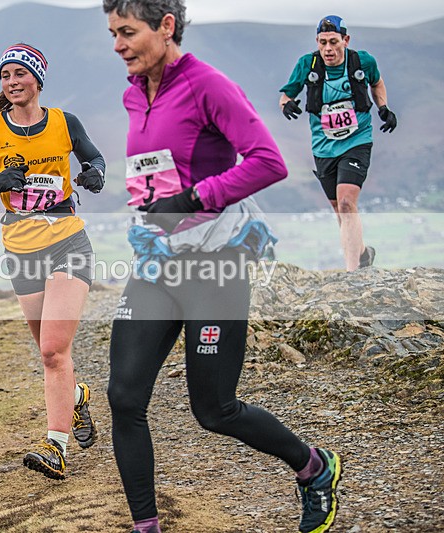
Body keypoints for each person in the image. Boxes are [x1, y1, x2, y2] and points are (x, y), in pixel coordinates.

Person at [102, 2, 341, 533]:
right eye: (113, 33)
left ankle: (314, 467)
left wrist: (191, 198)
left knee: (213, 410)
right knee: (123, 395)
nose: (117, 44)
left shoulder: (208, 85)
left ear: (165, 27)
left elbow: (267, 161)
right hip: (158, 262)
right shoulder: (133, 91)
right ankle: (147, 526)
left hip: (217, 264)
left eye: (127, 32)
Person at [0, 43, 104, 480]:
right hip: (21, 247)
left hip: (68, 242)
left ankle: (55, 446)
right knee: (48, 353)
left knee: (55, 350)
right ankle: (75, 396)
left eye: (20, 74)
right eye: (5, 76)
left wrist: (95, 174)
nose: (12, 82)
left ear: (37, 79)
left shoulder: (64, 122)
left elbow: (94, 157)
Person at [280, 15, 397, 271]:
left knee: (346, 202)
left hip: (357, 139)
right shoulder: (307, 64)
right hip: (323, 146)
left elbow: (376, 82)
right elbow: (287, 93)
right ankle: (363, 254)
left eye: (333, 42)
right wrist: (286, 104)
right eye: (323, 42)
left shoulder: (362, 61)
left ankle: (352, 273)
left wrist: (384, 107)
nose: (328, 49)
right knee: (339, 208)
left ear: (346, 40)